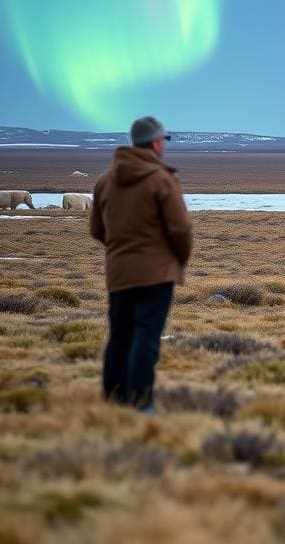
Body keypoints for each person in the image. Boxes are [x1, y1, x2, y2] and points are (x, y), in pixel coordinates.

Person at [90, 116, 193, 412]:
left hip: (119, 274)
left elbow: (97, 230)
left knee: (120, 336)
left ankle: (113, 398)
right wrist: (176, 259)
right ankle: (141, 401)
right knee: (146, 337)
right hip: (156, 275)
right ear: (157, 143)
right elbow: (181, 229)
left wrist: (120, 252)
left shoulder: (105, 181)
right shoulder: (161, 180)